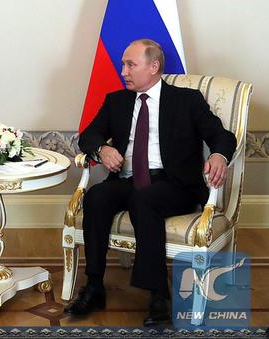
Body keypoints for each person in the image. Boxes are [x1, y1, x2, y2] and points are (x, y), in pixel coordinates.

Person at [63, 39, 236, 326]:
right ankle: (94, 286)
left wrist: (218, 155)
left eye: (131, 64)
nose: (123, 71)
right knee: (96, 196)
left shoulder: (186, 100)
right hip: (130, 179)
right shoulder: (116, 101)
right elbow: (88, 136)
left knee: (143, 199)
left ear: (154, 67)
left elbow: (222, 136)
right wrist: (102, 150)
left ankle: (159, 295)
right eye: (123, 64)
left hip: (175, 184)